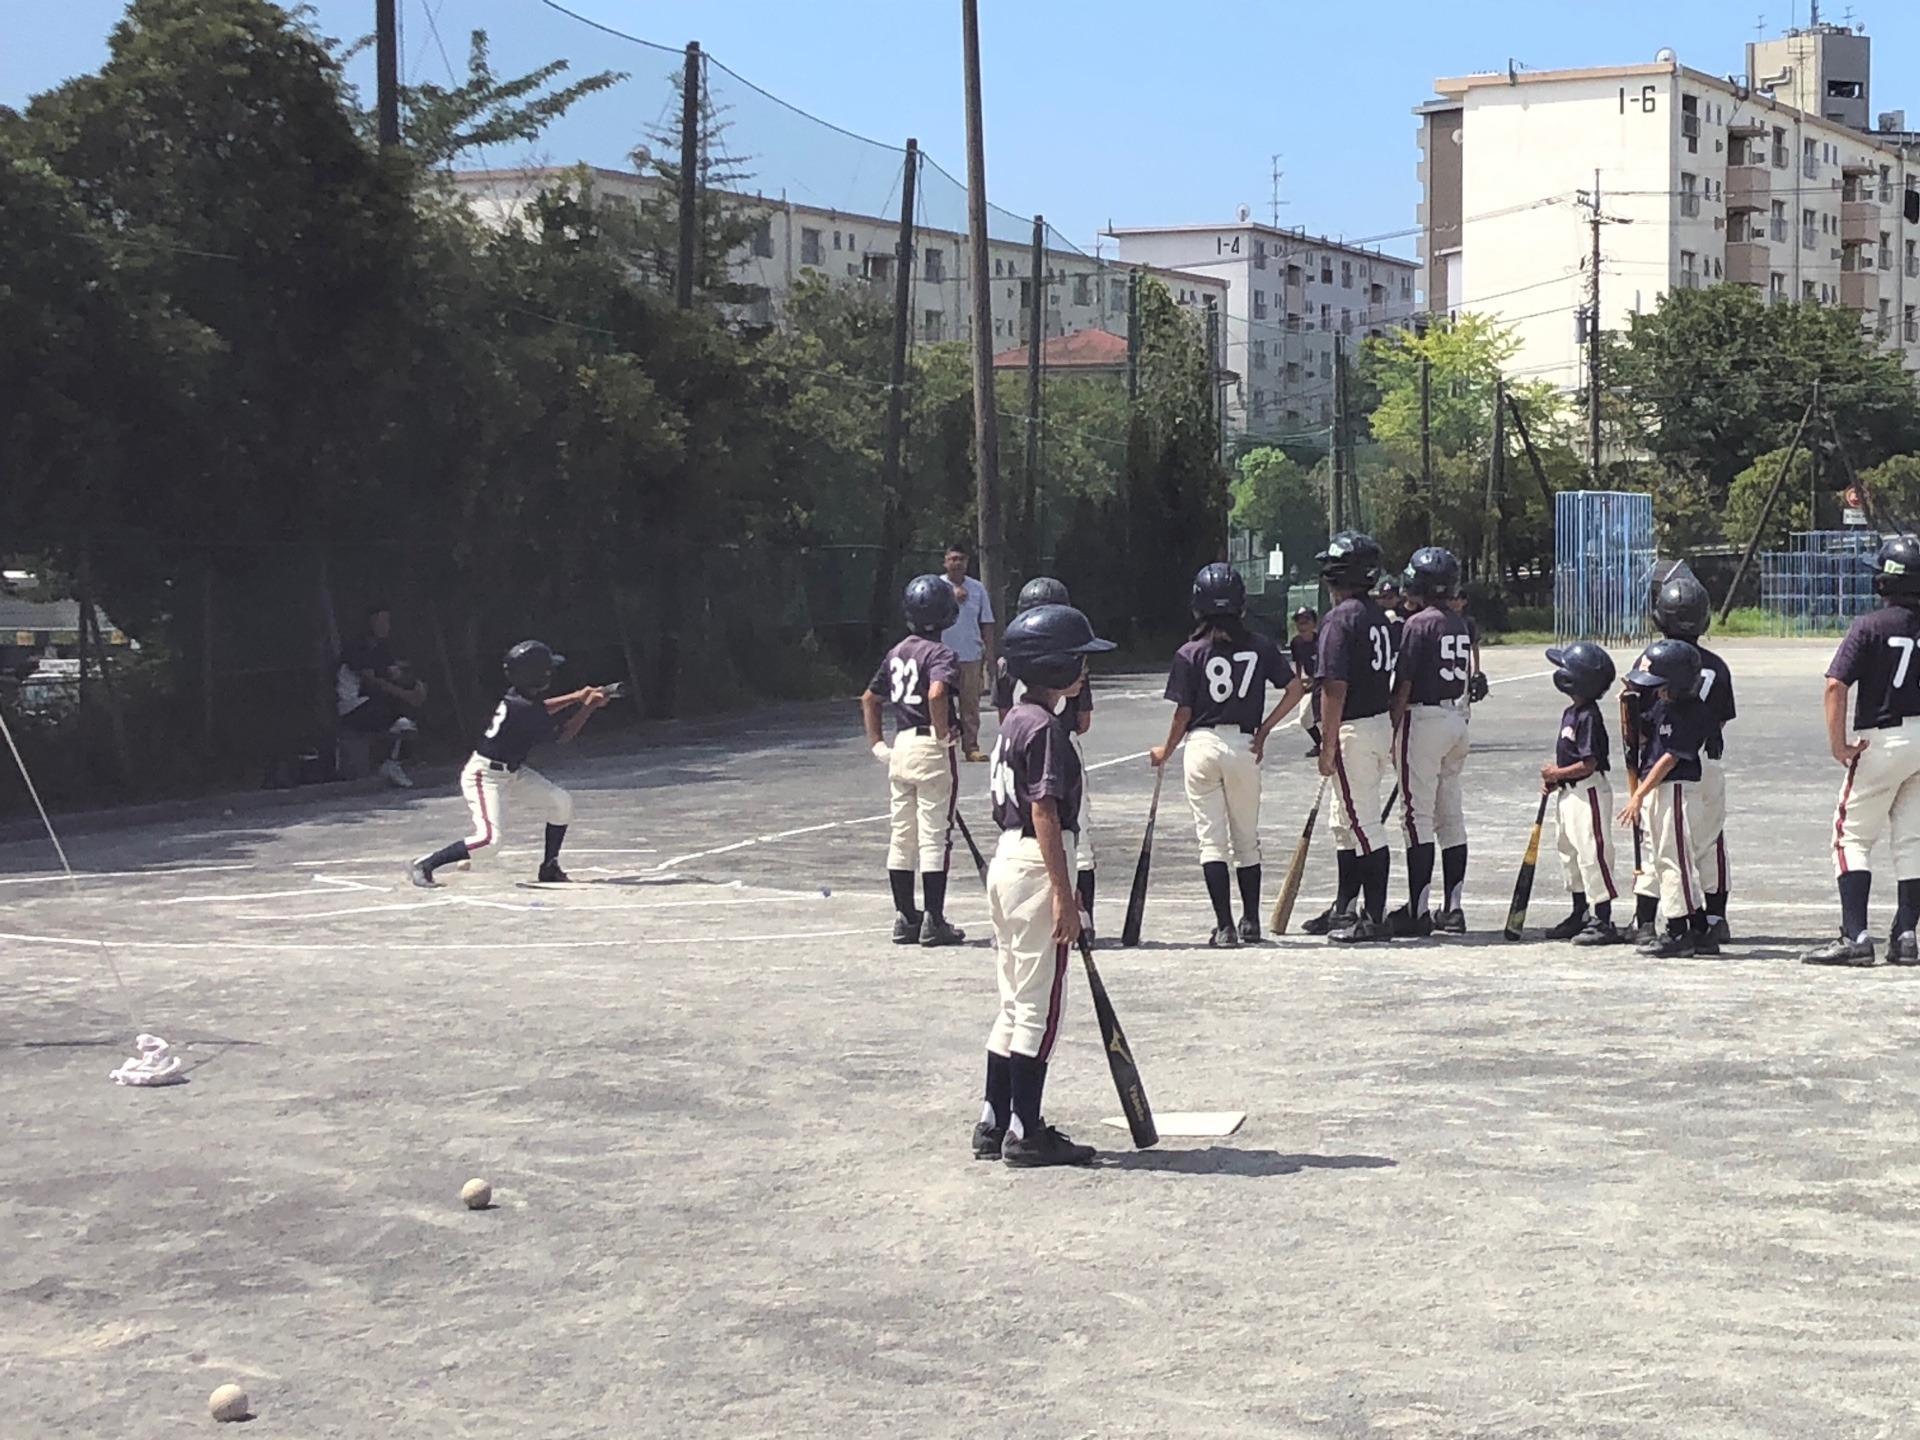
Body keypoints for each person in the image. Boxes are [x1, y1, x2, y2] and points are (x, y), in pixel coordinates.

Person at [975, 602, 1114, 1168]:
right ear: (1054, 666)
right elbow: (1046, 814)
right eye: (1078, 660)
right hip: (1036, 864)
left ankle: (993, 1118)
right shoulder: (1048, 729)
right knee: (1039, 1008)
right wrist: (1066, 895)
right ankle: (1025, 1131)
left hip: (1007, 863)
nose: (1084, 671)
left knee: (1012, 999)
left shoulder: (1013, 718)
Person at [1149, 564, 1307, 947]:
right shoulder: (1260, 646)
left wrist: (1165, 750)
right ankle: (1250, 920)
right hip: (1244, 745)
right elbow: (1296, 688)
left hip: (1201, 744)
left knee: (1212, 841)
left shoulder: (1189, 653)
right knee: (1246, 839)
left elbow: (1183, 713)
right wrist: (1266, 729)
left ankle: (1225, 926)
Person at [1803, 535, 1920, 967]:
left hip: (1882, 738)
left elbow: (1836, 685)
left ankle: (1856, 936)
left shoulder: (1870, 626)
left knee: (1850, 836)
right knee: (1912, 839)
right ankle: (1907, 934)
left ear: (1884, 581)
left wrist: (1839, 746)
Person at [407, 641, 607, 888]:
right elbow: (563, 736)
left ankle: (549, 867)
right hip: (485, 776)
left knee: (560, 802)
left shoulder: (519, 698)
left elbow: (540, 709)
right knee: (489, 842)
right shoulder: (522, 709)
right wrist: (588, 707)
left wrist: (577, 697)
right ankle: (425, 864)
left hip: (513, 772)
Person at [1302, 533, 1397, 943]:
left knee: (1363, 825)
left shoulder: (1340, 619)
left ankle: (1373, 917)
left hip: (1353, 729)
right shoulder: (1377, 615)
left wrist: (1326, 744)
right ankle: (1345, 907)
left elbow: (1334, 687)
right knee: (1344, 822)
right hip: (1376, 724)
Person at [862, 575, 965, 949]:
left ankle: (906, 916)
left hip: (901, 744)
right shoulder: (940, 654)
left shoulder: (897, 651)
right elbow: (938, 692)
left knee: (902, 835)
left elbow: (870, 698)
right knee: (934, 835)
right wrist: (942, 733)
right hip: (928, 746)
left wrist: (877, 745)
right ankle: (934, 920)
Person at [993, 577, 1098, 936]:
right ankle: (1083, 919)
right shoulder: (1063, 660)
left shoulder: (1010, 670)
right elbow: (1082, 721)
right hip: (1055, 754)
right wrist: (1064, 895)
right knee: (1079, 842)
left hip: (1008, 840)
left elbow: (1004, 715)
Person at [1387, 547, 1472, 937]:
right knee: (1449, 815)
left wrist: (1392, 726)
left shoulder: (1418, 624)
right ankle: (1452, 908)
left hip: (1423, 719)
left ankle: (1419, 909)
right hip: (1456, 718)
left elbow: (1404, 682)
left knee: (1416, 816)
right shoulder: (1459, 622)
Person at [1616, 639, 1716, 958]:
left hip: (1675, 789)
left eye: (1660, 685)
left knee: (1673, 860)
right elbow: (1647, 735)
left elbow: (1669, 758)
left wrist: (1638, 796)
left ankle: (1679, 931)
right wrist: (1628, 705)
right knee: (1663, 859)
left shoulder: (1692, 711)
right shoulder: (1665, 704)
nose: (1656, 691)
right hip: (1660, 790)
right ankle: (1699, 926)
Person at [1650, 573, 1735, 943]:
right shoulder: (1717, 666)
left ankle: (1675, 921)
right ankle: (1715, 918)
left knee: (1669, 846)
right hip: (1709, 761)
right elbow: (1718, 720)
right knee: (1711, 839)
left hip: (1668, 764)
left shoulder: (1652, 659)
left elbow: (1640, 718)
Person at [1539, 642, 1625, 946]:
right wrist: (1557, 781)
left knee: (1592, 853)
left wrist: (1557, 774)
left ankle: (1602, 918)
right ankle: (1579, 912)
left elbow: (1588, 764)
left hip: (1588, 793)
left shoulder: (1589, 715)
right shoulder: (1571, 712)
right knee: (1569, 853)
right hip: (1568, 794)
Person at [336, 605, 427, 788]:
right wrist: (407, 695)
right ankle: (388, 760)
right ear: (370, 623)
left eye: (388, 621)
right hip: (353, 706)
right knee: (402, 720)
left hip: (373, 702)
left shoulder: (382, 648)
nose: (386, 626)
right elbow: (373, 682)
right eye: (381, 621)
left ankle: (392, 762)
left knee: (410, 720)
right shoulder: (356, 647)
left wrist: (417, 686)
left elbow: (395, 674)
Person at [938, 543, 996, 762]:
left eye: (961, 559)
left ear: (967, 563)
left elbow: (987, 622)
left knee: (970, 703)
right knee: (940, 700)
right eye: (952, 559)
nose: (957, 563)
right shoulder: (936, 586)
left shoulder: (978, 588)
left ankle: (971, 746)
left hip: (970, 654)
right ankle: (942, 744)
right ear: (945, 562)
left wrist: (989, 654)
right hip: (940, 655)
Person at [1289, 606, 1323, 757]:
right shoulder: (1296, 643)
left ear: (1314, 624)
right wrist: (1298, 680)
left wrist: (1314, 680)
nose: (1302, 625)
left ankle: (1329, 745)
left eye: (1306, 621)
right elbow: (1298, 663)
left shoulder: (1321, 640)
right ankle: (1320, 743)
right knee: (1305, 718)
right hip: (1310, 684)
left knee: (1323, 717)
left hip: (1324, 683)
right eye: (1299, 622)